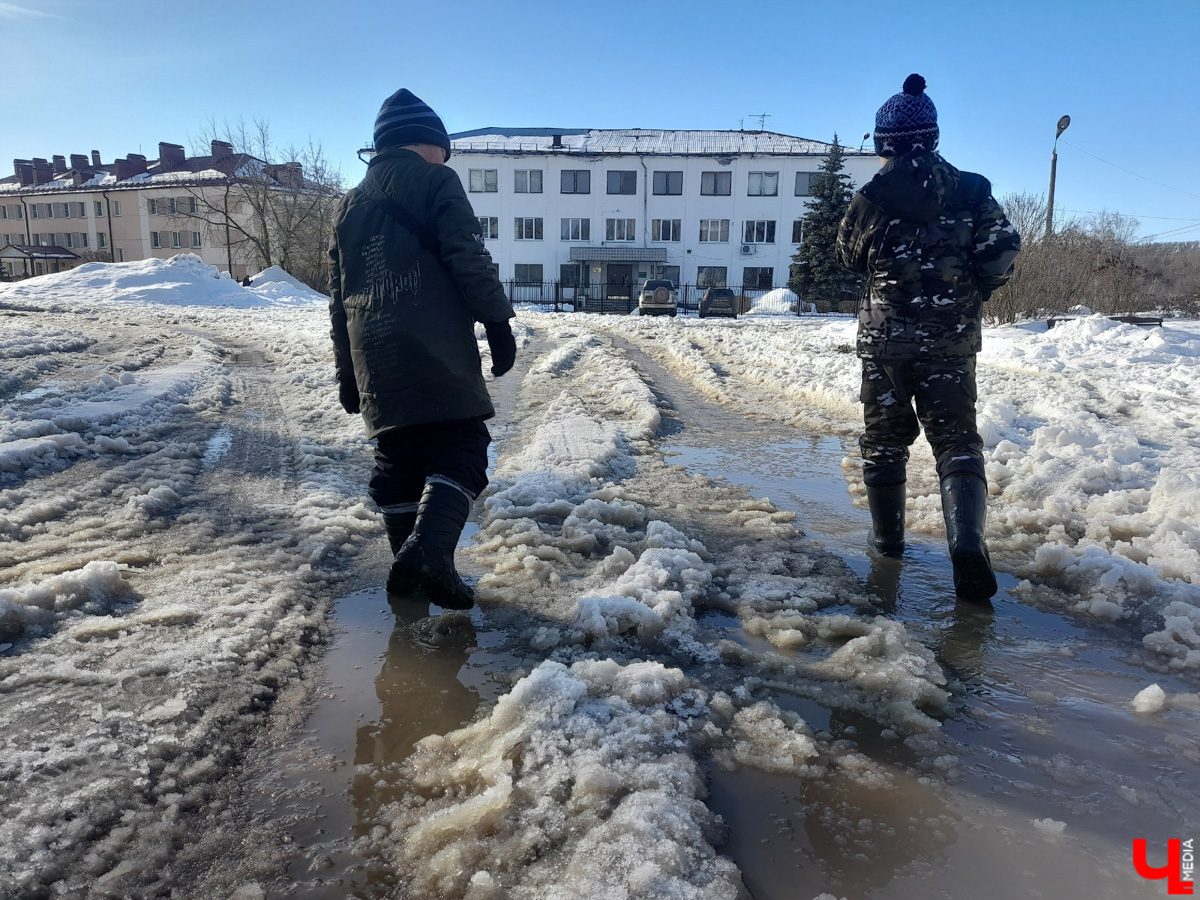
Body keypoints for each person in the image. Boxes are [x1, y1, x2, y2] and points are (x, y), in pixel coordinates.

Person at [329, 88, 517, 609]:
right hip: (432, 342)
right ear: (428, 145)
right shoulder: (438, 180)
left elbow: (338, 298)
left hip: (374, 354)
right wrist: (497, 320)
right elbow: (466, 253)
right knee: (461, 444)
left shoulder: (346, 206)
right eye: (445, 149)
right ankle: (429, 556)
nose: (447, 157)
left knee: (399, 454)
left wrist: (349, 371)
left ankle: (408, 577)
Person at [836, 74, 1021, 602]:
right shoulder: (972, 190)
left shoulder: (871, 196)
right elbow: (1002, 251)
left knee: (884, 442)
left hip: (884, 342)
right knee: (957, 442)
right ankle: (966, 543)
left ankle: (887, 543)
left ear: (882, 145)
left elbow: (845, 257)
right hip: (951, 341)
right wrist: (975, 289)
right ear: (934, 137)